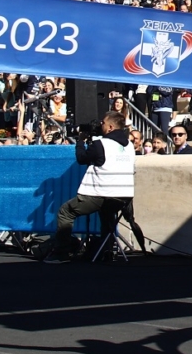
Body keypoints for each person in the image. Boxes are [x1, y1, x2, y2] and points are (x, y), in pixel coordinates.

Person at [50, 111, 145, 259]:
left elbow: (82, 159)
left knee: (65, 212)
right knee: (107, 216)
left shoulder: (102, 144)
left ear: (110, 127)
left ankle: (60, 253)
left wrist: (81, 141)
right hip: (124, 198)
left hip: (102, 194)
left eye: (103, 123)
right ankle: (106, 251)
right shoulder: (130, 146)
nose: (101, 126)